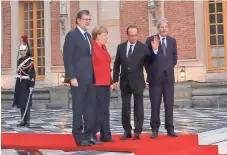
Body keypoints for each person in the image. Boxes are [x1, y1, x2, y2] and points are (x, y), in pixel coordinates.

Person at [63, 10, 102, 146]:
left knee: (89, 108)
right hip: (78, 79)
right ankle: (78, 137)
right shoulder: (72, 36)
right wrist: (71, 76)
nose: (87, 21)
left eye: (89, 19)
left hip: (90, 78)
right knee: (78, 108)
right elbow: (68, 58)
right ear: (78, 20)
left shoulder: (87, 36)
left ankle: (89, 135)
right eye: (85, 19)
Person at [113, 25, 150, 140]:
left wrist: (149, 78)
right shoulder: (121, 47)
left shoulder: (143, 47)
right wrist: (115, 80)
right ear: (127, 35)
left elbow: (150, 64)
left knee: (138, 106)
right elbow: (116, 64)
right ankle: (127, 131)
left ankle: (138, 131)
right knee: (125, 107)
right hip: (124, 82)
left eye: (135, 35)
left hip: (138, 81)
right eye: (131, 35)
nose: (133, 37)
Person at [145, 18, 178, 138]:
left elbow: (174, 59)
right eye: (162, 27)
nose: (164, 29)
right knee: (155, 104)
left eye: (166, 27)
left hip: (168, 78)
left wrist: (167, 68)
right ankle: (155, 129)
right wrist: (154, 50)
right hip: (155, 79)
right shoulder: (151, 40)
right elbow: (146, 60)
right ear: (158, 28)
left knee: (169, 104)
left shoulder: (172, 41)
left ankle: (170, 128)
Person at [91, 26, 114, 142]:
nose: (106, 37)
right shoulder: (92, 48)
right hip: (96, 84)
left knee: (105, 110)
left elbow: (107, 66)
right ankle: (92, 134)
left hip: (105, 83)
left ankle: (106, 135)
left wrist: (110, 82)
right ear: (98, 35)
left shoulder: (104, 48)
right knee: (98, 111)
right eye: (105, 35)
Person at [13, 43, 36, 127]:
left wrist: (31, 85)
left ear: (26, 51)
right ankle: (23, 120)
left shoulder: (29, 61)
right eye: (20, 51)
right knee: (21, 102)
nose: (21, 52)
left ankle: (28, 121)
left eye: (22, 51)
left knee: (26, 103)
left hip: (26, 83)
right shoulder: (19, 60)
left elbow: (32, 74)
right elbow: (19, 71)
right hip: (20, 83)